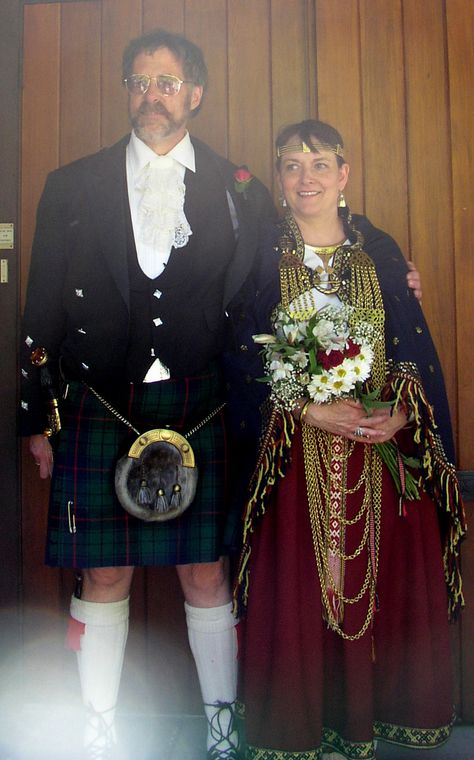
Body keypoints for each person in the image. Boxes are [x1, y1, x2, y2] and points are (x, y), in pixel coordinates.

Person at [20, 28, 277, 760]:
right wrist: (37, 415)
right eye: (138, 83)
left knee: (207, 569)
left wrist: (388, 271)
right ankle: (97, 731)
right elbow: (41, 305)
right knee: (102, 569)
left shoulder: (242, 189)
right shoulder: (72, 184)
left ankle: (222, 728)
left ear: (194, 94)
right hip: (102, 399)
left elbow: (272, 288)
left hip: (207, 403)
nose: (151, 97)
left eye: (166, 83)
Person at [229, 120, 466, 760]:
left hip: (376, 450)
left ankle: (368, 720)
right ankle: (301, 727)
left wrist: (400, 414)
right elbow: (244, 352)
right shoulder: (257, 252)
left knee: (374, 586)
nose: (305, 178)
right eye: (290, 165)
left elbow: (409, 347)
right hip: (293, 455)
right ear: (278, 179)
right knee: (303, 592)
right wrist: (307, 409)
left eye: (319, 163)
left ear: (344, 173)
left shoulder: (381, 250)